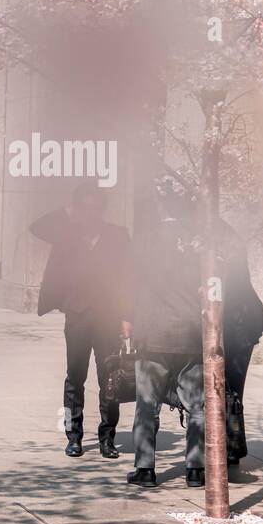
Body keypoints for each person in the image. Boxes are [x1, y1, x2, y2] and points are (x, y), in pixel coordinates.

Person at [30, 183, 131, 459]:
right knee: (75, 377)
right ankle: (73, 436)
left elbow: (128, 278)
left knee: (109, 378)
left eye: (95, 207)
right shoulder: (67, 234)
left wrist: (127, 317)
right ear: (77, 209)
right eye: (84, 207)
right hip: (77, 315)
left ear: (102, 209)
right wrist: (66, 211)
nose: (91, 212)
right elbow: (36, 227)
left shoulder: (118, 236)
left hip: (108, 317)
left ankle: (107, 437)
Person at [124, 191, 204, 488]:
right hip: (190, 333)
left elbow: (128, 283)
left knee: (147, 403)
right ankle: (196, 469)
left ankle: (145, 469)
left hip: (153, 331)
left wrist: (128, 320)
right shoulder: (198, 244)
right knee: (197, 404)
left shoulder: (144, 241)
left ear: (161, 208)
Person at [219, 222, 263, 466]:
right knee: (233, 390)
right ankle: (232, 447)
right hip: (241, 322)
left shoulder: (216, 242)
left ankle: (230, 447)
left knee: (227, 389)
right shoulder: (229, 236)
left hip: (236, 324)